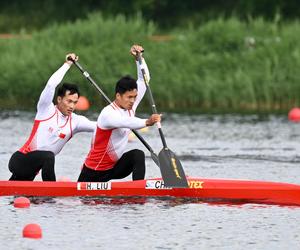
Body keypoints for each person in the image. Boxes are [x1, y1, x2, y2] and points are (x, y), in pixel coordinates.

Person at [78, 44, 161, 182]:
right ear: (118, 96)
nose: (133, 101)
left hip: (114, 168)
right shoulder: (108, 114)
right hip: (94, 172)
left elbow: (144, 80)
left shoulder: (130, 105)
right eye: (129, 97)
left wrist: (139, 58)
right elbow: (125, 122)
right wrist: (147, 121)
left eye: (134, 97)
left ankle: (138, 192)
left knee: (138, 155)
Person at [8, 53, 96, 181]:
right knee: (49, 156)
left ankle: (44, 197)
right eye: (69, 101)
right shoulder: (46, 110)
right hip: (20, 160)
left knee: (18, 197)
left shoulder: (76, 122)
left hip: (32, 170)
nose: (72, 106)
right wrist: (67, 64)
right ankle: (51, 198)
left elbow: (101, 126)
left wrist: (125, 123)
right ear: (59, 99)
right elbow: (50, 85)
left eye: (75, 102)